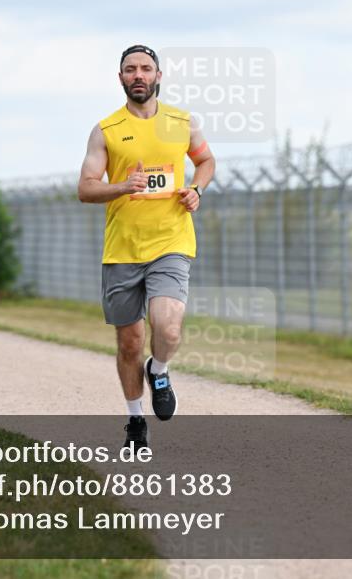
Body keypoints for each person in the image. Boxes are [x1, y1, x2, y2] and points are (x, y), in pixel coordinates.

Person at [77, 45, 215, 448]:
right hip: (122, 249)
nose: (138, 75)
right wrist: (124, 185)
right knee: (129, 341)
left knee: (168, 326)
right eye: (130, 69)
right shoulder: (105, 129)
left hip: (171, 241)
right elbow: (85, 188)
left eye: (145, 68)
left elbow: (206, 162)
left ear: (158, 75)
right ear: (120, 78)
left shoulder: (182, 122)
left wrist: (196, 189)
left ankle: (161, 368)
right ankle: (136, 420)